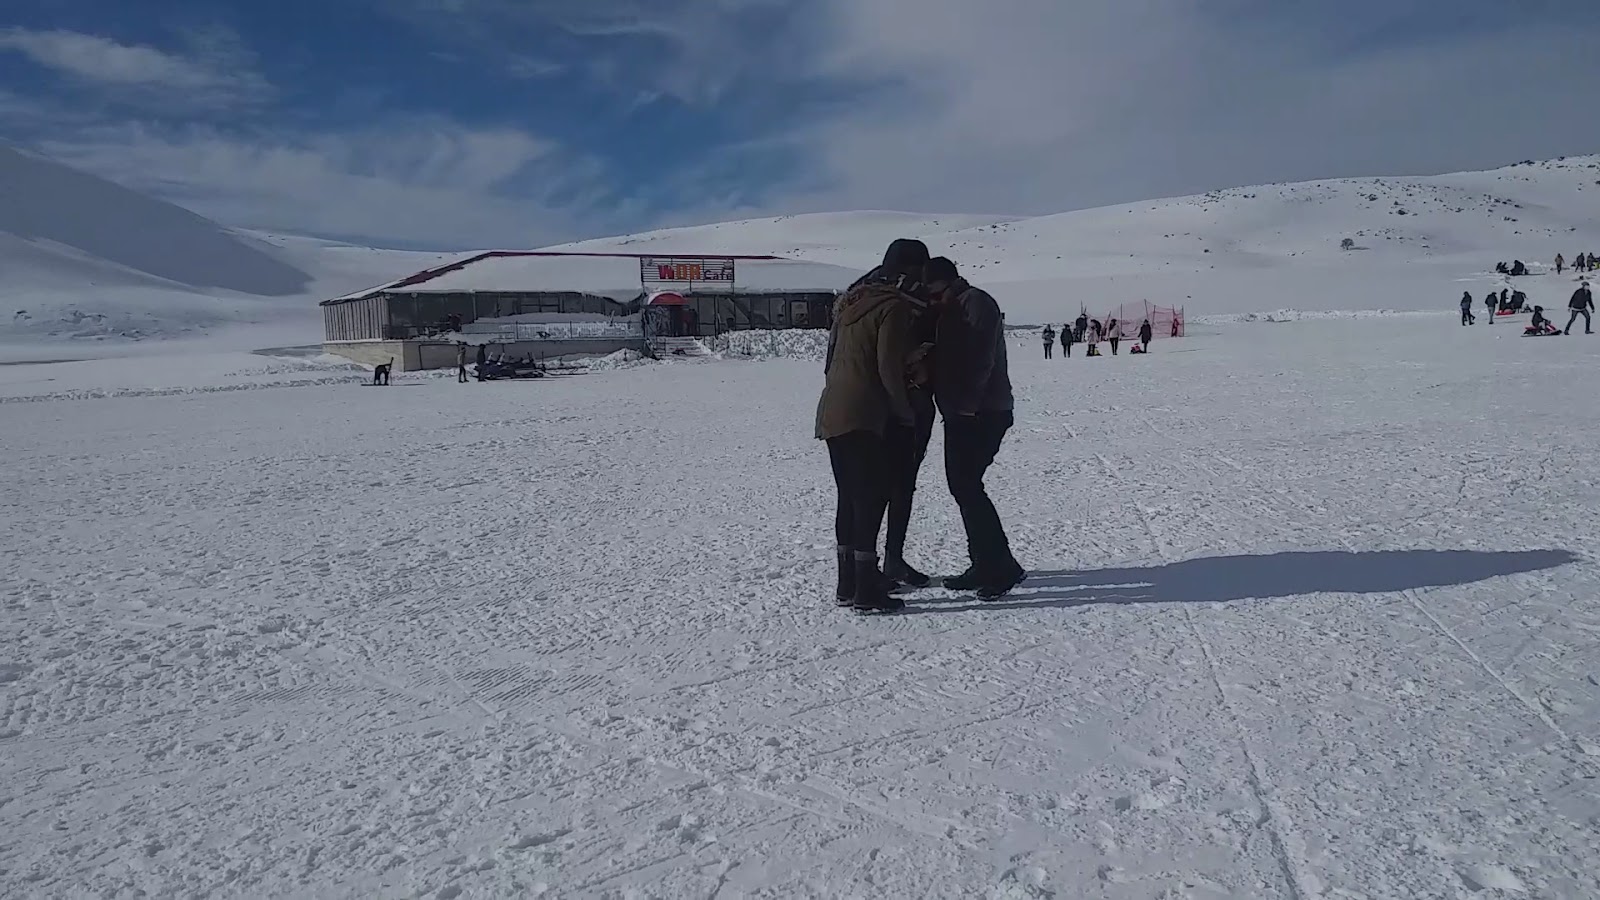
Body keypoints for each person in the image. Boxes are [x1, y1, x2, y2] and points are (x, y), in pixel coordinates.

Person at [817, 239, 925, 614]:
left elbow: (830, 362)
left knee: (848, 497)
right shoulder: (891, 307)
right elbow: (886, 368)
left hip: (832, 409)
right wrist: (904, 413)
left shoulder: (849, 307)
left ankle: (847, 583)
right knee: (872, 498)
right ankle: (867, 589)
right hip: (865, 413)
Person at [923, 256, 1025, 600]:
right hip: (961, 412)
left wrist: (966, 404)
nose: (933, 301)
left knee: (967, 486)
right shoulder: (951, 308)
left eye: (936, 293)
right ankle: (984, 562)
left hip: (984, 411)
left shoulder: (977, 304)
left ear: (951, 283)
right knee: (962, 486)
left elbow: (982, 357)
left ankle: (1001, 566)